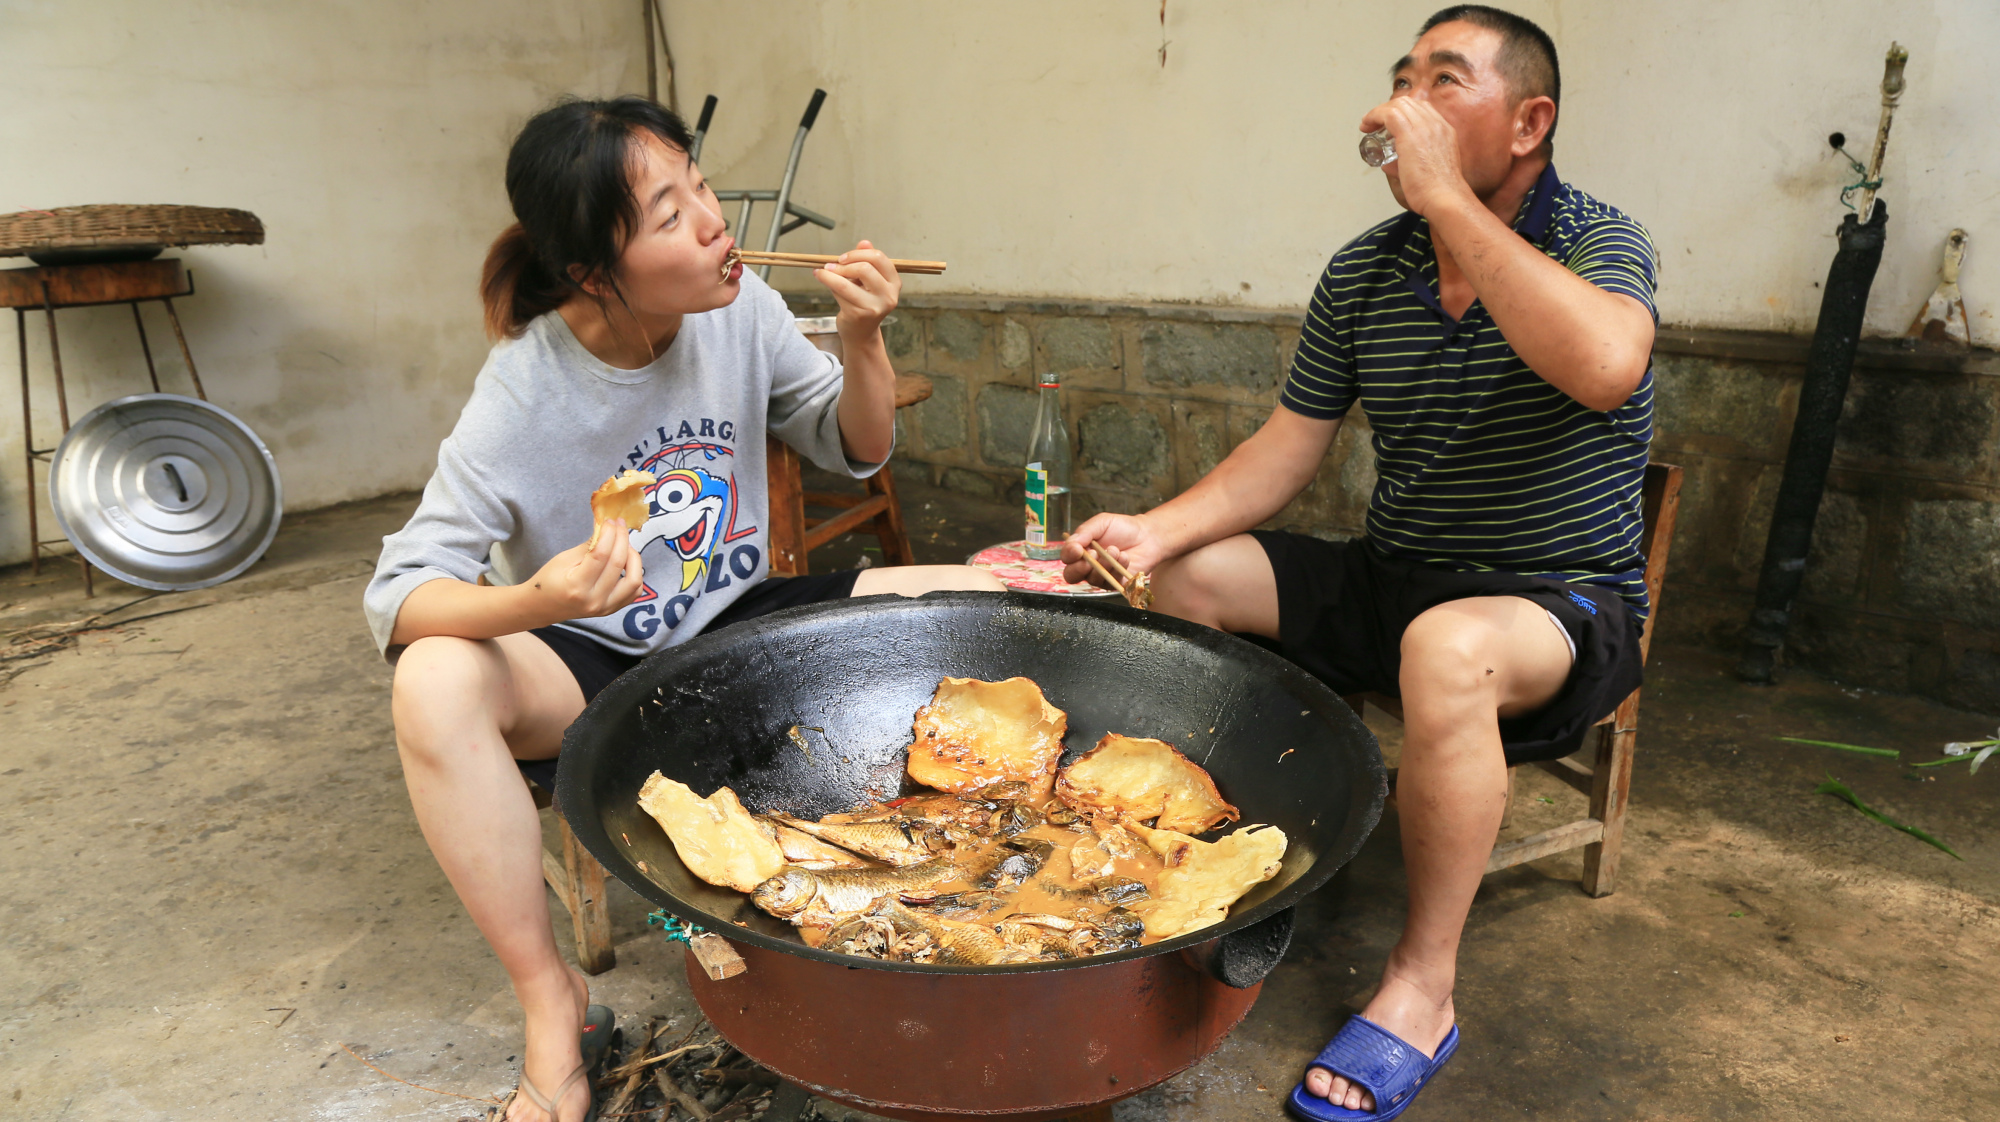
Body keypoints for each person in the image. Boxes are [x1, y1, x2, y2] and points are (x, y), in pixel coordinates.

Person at [1064, 7, 1657, 1119]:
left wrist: (1443, 200)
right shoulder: (1366, 271)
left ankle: (1420, 988)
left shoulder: (1596, 241)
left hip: (1554, 606)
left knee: (1445, 648)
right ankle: (1217, 865)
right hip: (1398, 578)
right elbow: (1287, 446)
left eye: (1443, 81)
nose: (1400, 106)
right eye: (1400, 80)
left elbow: (1605, 367)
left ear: (1528, 121)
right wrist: (1154, 527)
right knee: (1186, 580)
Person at [363, 96, 1003, 1122]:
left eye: (698, 184)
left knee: (999, 595)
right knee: (433, 678)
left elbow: (855, 448)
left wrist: (861, 338)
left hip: (743, 625)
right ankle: (552, 1008)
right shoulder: (522, 391)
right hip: (594, 667)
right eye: (668, 213)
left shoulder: (740, 308)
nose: (712, 220)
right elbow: (396, 599)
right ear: (588, 272)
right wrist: (539, 595)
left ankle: (988, 882)